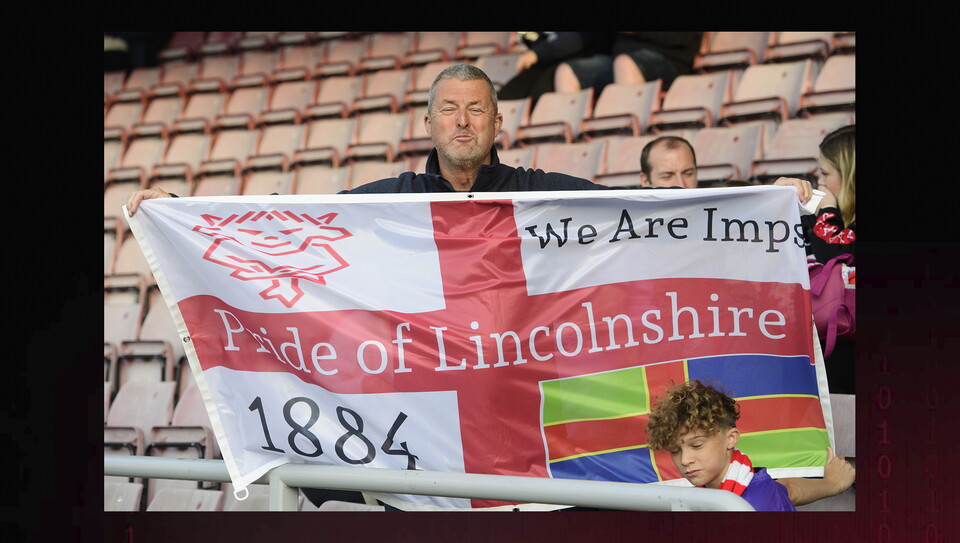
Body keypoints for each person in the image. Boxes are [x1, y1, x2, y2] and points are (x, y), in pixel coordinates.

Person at [646, 379, 855, 512]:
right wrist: (832, 484)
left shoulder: (757, 503)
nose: (684, 460)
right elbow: (788, 490)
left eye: (697, 445)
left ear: (731, 439)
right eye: (675, 451)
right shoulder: (754, 483)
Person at [806, 125, 856, 264]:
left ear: (850, 176)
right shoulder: (842, 212)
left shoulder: (831, 210)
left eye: (825, 174)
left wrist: (827, 209)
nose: (821, 182)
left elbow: (835, 258)